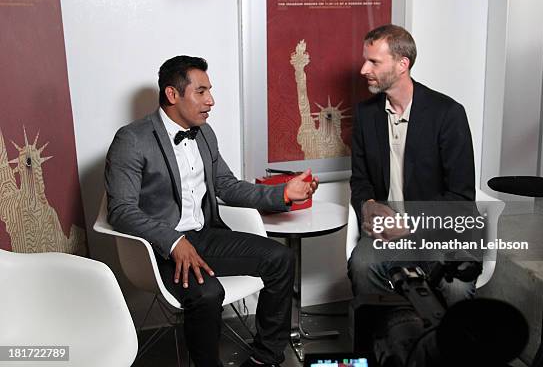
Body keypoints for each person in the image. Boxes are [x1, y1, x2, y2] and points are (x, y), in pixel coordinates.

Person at [105, 55, 318, 367]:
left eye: (210, 91)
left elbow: (227, 186)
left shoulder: (204, 133)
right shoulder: (132, 139)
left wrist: (283, 193)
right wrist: (174, 241)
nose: (211, 100)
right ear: (172, 94)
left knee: (281, 258)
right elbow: (120, 210)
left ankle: (265, 358)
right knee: (207, 294)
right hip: (158, 249)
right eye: (201, 91)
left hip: (204, 236)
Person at [348, 24, 476, 306]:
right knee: (361, 265)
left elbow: (461, 200)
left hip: (438, 233)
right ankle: (389, 342)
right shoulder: (366, 115)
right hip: (386, 236)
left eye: (374, 62)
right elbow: (360, 181)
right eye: (365, 60)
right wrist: (368, 203)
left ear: (402, 64)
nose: (363, 70)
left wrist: (409, 226)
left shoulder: (448, 114)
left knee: (456, 287)